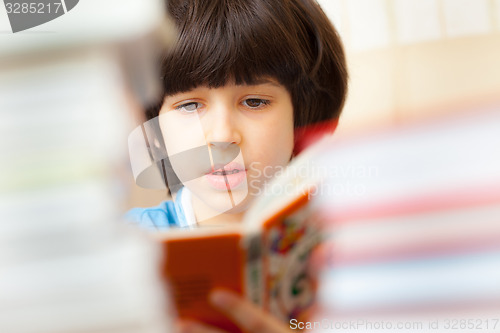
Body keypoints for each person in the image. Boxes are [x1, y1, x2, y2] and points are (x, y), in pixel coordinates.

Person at [127, 0, 348, 331]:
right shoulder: (128, 248)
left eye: (254, 101)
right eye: (189, 105)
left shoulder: (349, 241)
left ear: (301, 118)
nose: (222, 136)